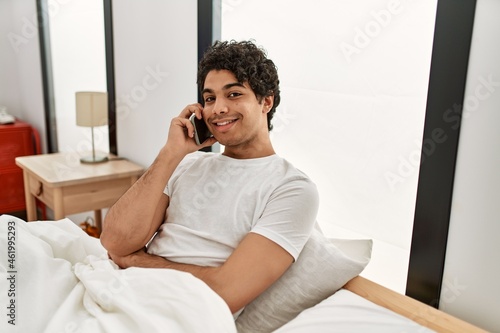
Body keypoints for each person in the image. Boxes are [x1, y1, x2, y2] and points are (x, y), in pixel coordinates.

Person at [100, 40, 319, 316]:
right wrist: (170, 154)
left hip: (180, 312)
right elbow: (114, 242)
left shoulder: (292, 189)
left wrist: (136, 262)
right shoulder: (187, 164)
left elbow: (226, 291)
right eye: (210, 98)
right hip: (119, 289)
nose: (218, 109)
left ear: (266, 101)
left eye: (234, 94)